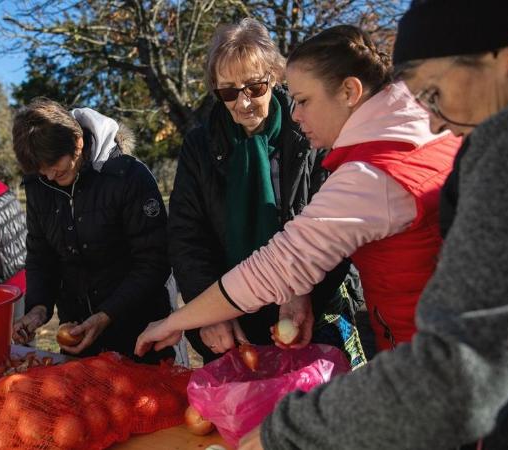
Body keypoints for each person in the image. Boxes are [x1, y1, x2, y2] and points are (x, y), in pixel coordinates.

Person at [218, 1, 508, 449]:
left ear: (504, 55)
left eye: (434, 92)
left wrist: (283, 434)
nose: (434, 119)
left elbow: (456, 376)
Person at [138, 24, 461, 362]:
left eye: (303, 100)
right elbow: (189, 235)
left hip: (429, 348)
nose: (295, 113)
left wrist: (176, 320)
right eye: (228, 92)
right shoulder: (427, 126)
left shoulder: (370, 171)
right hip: (437, 339)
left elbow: (282, 264)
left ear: (350, 91)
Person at [167, 18, 358, 364]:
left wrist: (303, 295)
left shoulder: (311, 130)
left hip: (309, 309)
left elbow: (336, 228)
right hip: (232, 321)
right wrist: (209, 311)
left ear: (275, 76)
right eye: (228, 92)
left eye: (254, 88)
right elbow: (187, 237)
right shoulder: (199, 146)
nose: (243, 104)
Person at [10, 98, 173, 363]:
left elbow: (154, 260)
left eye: (56, 168)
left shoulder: (129, 177)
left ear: (78, 143)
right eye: (43, 172)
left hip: (139, 330)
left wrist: (106, 315)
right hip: (77, 330)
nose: (50, 177)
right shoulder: (39, 185)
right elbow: (41, 256)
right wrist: (38, 309)